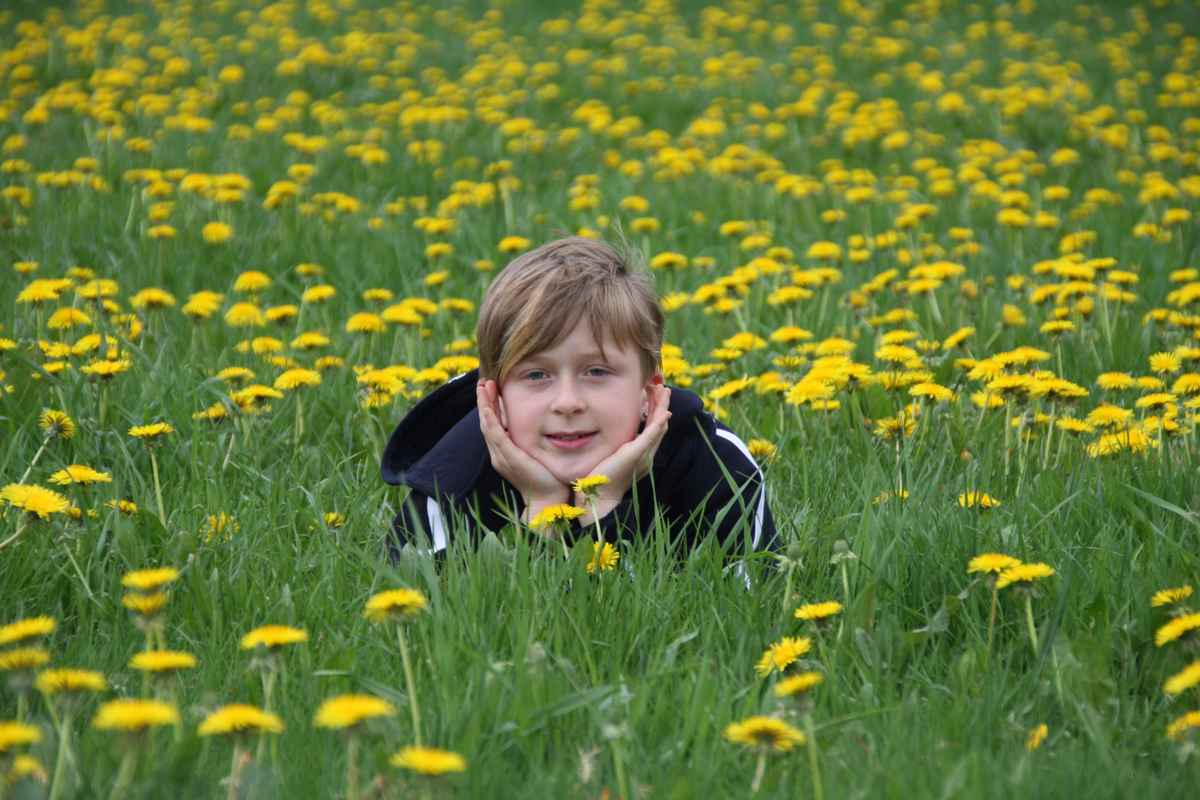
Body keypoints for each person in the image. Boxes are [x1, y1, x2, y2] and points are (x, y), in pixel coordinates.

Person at [381, 236, 777, 558]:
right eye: (537, 375)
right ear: (496, 400)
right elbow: (441, 618)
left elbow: (750, 605)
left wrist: (602, 505)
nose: (567, 402)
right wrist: (542, 507)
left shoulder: (715, 463)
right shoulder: (451, 476)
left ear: (648, 392)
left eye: (597, 372)